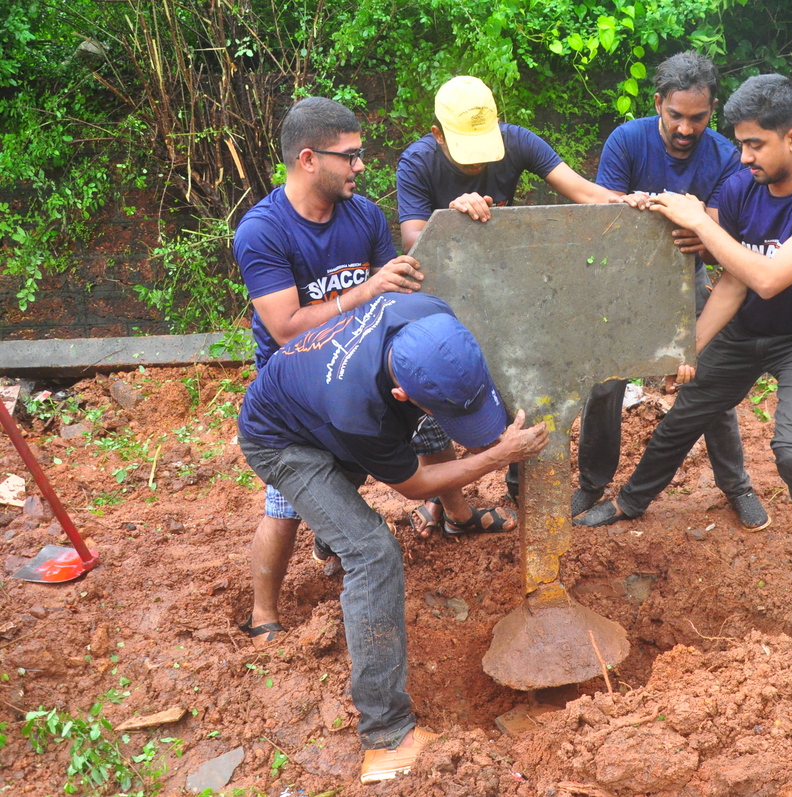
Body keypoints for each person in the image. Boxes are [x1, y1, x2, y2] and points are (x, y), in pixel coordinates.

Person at [237, 292, 549, 783]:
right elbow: (413, 487)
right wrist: (496, 457)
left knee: (346, 506)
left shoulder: (431, 314)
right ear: (403, 396)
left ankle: (331, 529)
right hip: (282, 440)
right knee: (371, 550)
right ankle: (386, 737)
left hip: (317, 411)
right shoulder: (358, 409)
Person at [575, 74, 792, 587]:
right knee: (682, 417)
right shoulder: (740, 190)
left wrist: (701, 222)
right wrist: (688, 351)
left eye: (755, 145)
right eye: (741, 144)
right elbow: (732, 283)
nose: (745, 157)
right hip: (746, 328)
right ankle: (631, 500)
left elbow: (768, 278)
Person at [234, 96, 427, 648]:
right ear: (309, 158)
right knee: (286, 505)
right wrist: (363, 292)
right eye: (351, 155)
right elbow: (288, 329)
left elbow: (390, 295)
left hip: (351, 372)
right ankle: (263, 613)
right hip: (292, 394)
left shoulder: (362, 215)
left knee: (351, 468)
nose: (362, 166)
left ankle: (330, 535)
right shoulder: (263, 231)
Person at [395, 74, 620, 531]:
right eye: (465, 151)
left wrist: (631, 205)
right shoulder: (417, 162)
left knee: (525, 379)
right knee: (450, 396)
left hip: (508, 288)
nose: (478, 164)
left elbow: (585, 194)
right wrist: (452, 217)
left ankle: (521, 484)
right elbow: (414, 239)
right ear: (437, 134)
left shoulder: (518, 142)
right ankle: (449, 500)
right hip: (448, 302)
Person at [575, 51, 767, 530]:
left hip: (689, 278)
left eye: (698, 118)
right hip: (622, 281)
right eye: (676, 115)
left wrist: (702, 234)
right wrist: (647, 213)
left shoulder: (726, 156)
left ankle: (736, 484)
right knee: (604, 384)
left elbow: (724, 243)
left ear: (712, 111)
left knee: (709, 380)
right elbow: (605, 223)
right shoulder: (627, 140)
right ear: (659, 103)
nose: (685, 129)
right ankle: (591, 482)